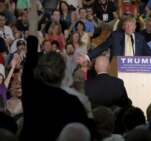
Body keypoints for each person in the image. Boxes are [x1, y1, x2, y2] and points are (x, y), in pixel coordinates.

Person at [20, 1, 95, 141]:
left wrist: (33, 23)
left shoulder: (31, 90)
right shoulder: (72, 101)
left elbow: (31, 54)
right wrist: (85, 101)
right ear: (62, 74)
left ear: (39, 71)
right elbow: (88, 133)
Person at [76, 16, 151, 68]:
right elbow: (102, 47)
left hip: (135, 69)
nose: (129, 27)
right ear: (123, 27)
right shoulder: (115, 35)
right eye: (127, 25)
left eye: (131, 25)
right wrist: (87, 57)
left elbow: (149, 52)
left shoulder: (140, 38)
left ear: (135, 27)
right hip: (117, 68)